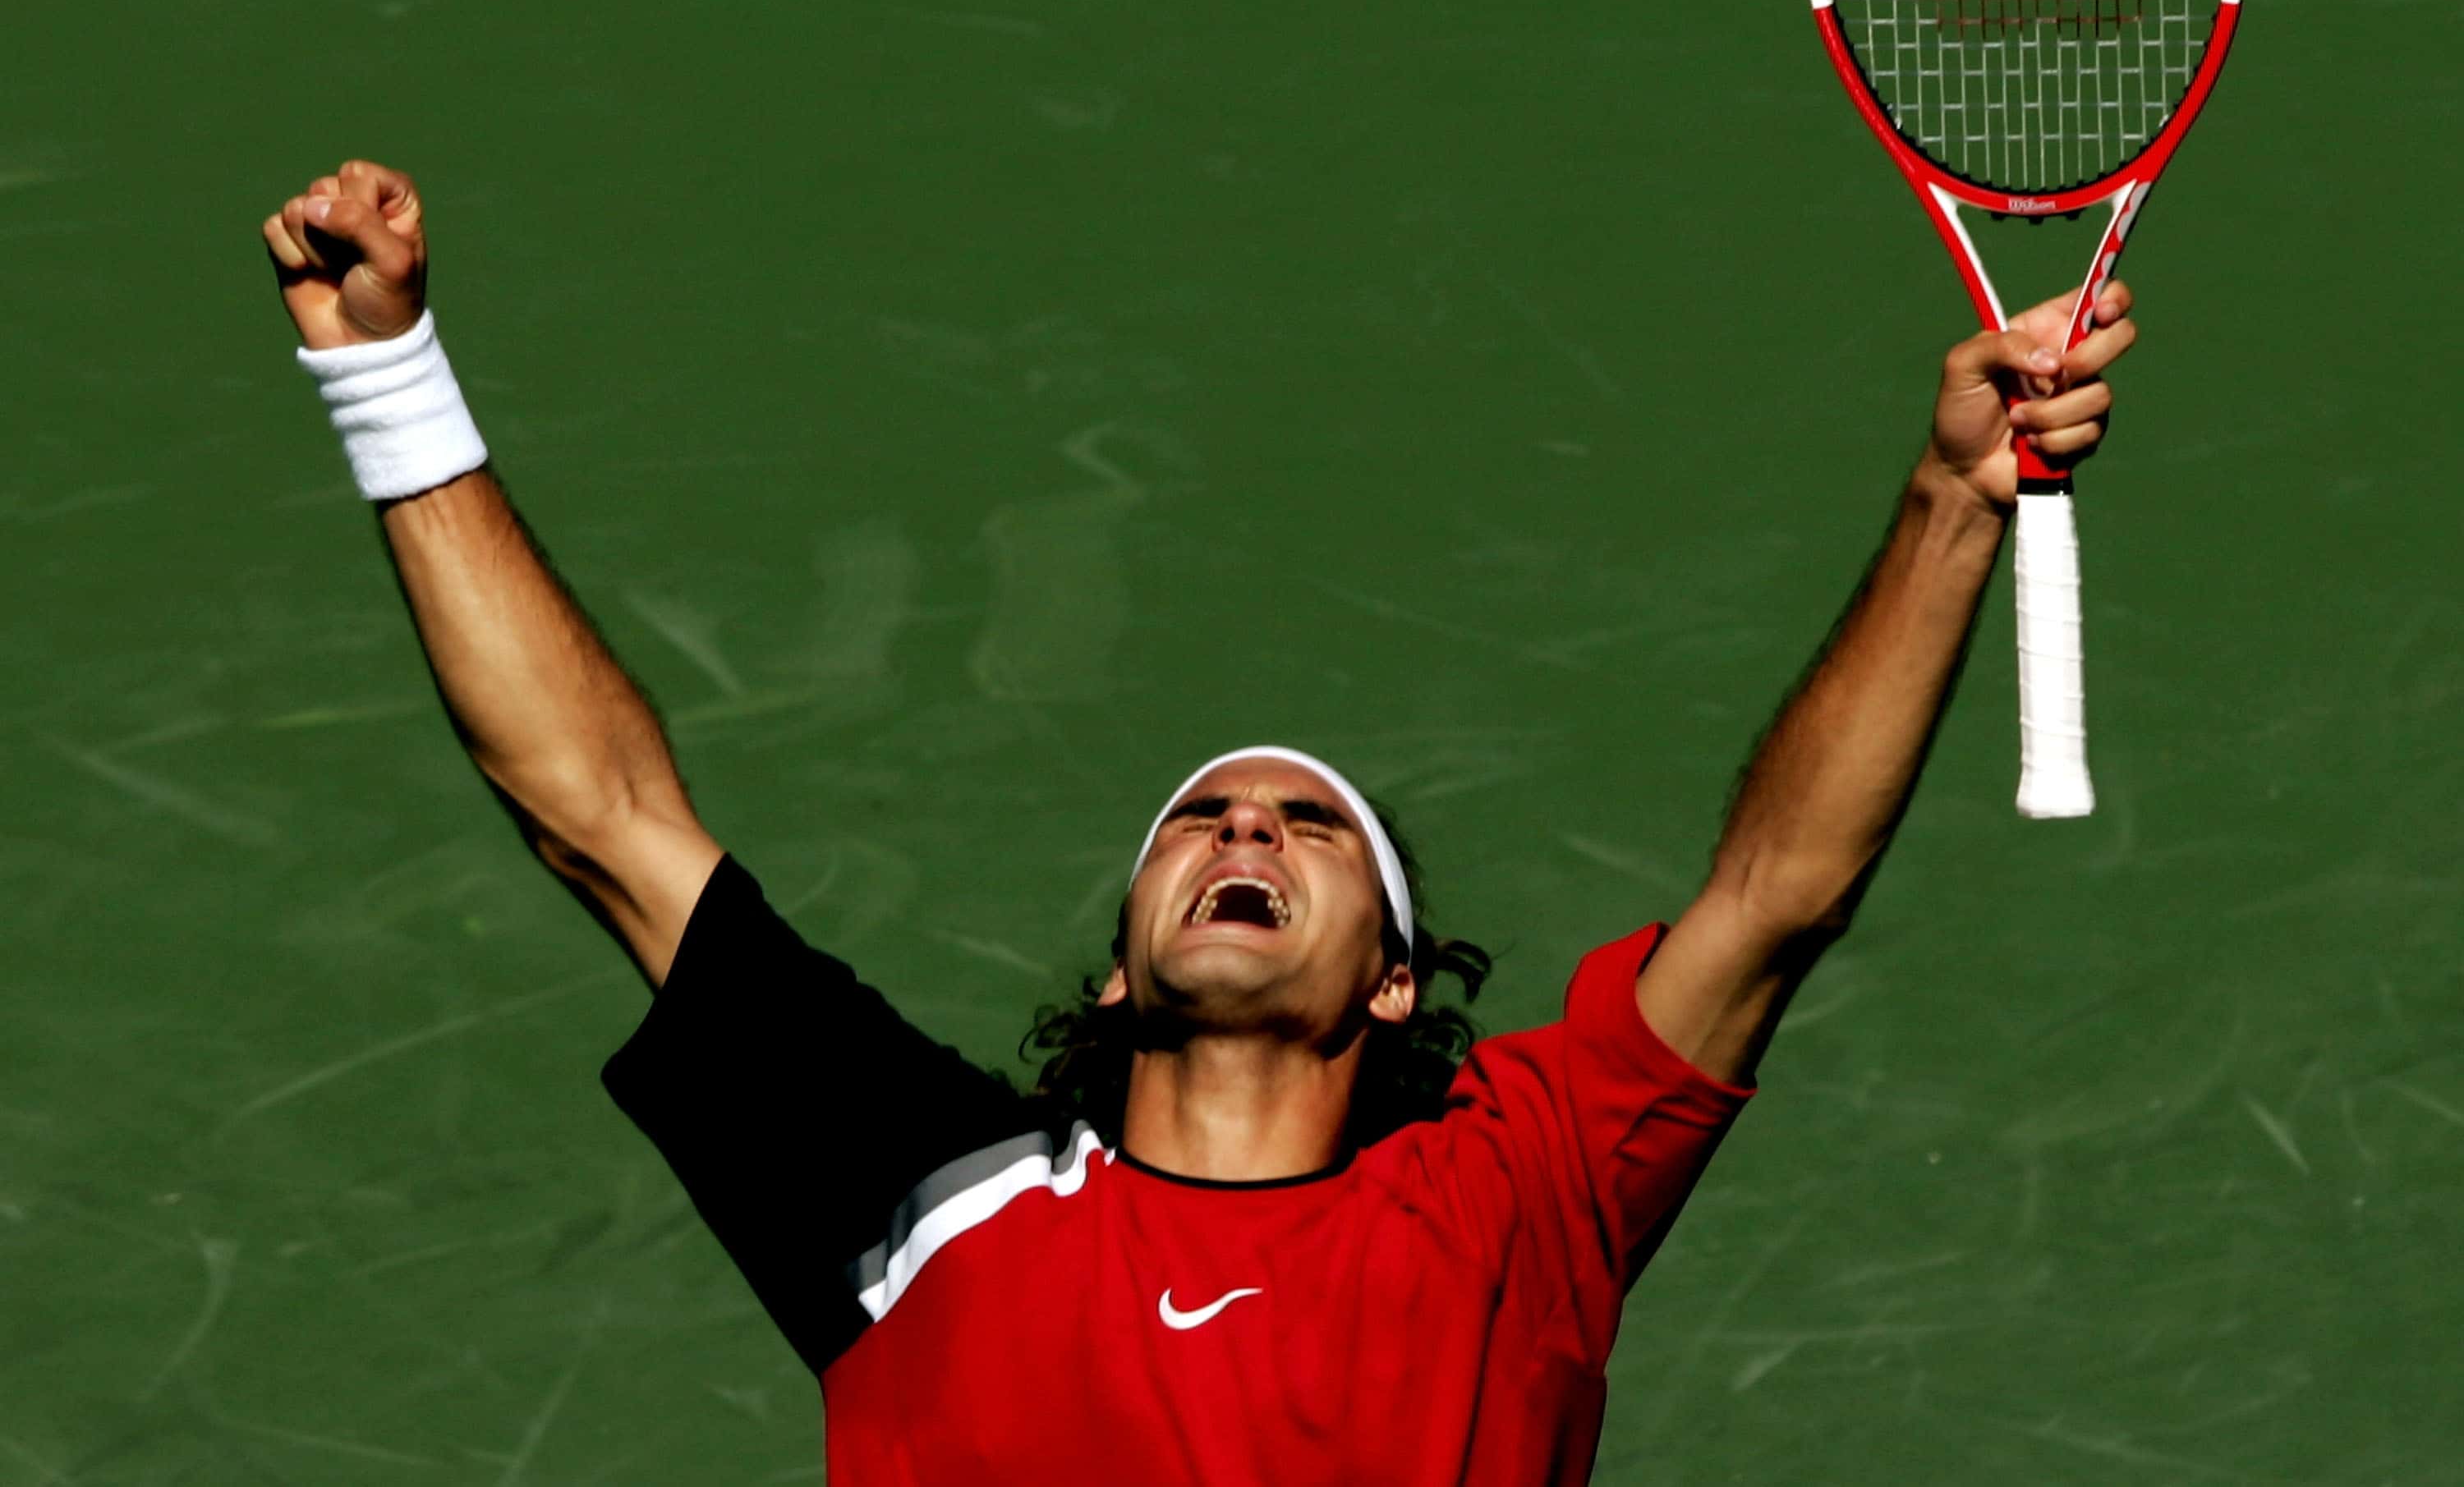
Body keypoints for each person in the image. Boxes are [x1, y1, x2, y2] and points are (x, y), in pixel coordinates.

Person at [260, 158, 2129, 1485]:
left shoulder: (1515, 1186)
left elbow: (1777, 892)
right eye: (1203, 819)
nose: (1245, 830)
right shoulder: (926, 1194)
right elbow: (598, 811)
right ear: (1125, 955)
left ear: (1395, 987)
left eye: (1313, 830)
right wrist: (385, 376)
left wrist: (1952, 501)